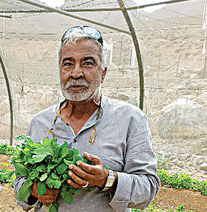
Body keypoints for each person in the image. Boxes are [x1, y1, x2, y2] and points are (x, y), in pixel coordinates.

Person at [14, 26, 160, 211]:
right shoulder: (40, 122)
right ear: (60, 70)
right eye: (68, 63)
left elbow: (148, 188)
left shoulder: (130, 119)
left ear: (103, 73)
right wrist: (34, 191)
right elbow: (19, 185)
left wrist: (108, 179)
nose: (76, 73)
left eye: (87, 63)